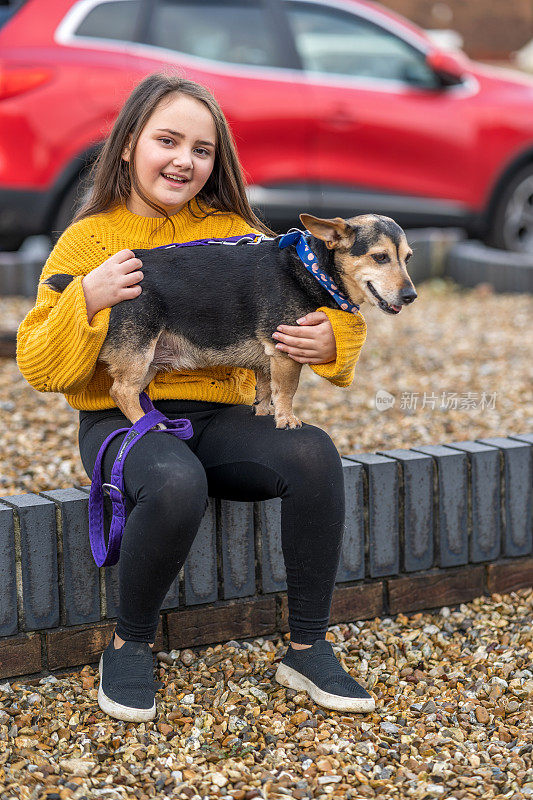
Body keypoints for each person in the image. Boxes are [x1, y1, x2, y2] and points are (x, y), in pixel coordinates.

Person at [16, 72, 372, 723]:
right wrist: (85, 298)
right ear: (128, 144)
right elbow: (39, 363)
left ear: (216, 161)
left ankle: (307, 645)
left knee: (314, 453)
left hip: (224, 417)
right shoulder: (88, 242)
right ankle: (128, 644)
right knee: (176, 483)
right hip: (117, 422)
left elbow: (323, 288)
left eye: (201, 149)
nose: (184, 160)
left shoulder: (236, 230)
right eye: (168, 140)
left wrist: (334, 340)